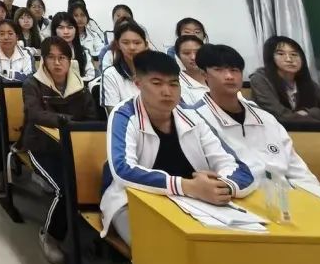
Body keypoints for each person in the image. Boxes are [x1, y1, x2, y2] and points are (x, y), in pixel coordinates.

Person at [100, 51, 255, 244]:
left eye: (174, 84)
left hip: (194, 203)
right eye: (157, 83)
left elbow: (237, 167)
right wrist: (187, 186)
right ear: (138, 84)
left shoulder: (192, 117)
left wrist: (221, 187)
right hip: (133, 199)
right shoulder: (124, 114)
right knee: (158, 249)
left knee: (235, 244)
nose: (167, 91)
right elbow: (123, 170)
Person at [21, 38, 101, 264]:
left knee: (96, 183)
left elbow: (92, 118)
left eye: (62, 58)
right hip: (41, 146)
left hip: (74, 148)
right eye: (51, 58)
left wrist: (74, 128)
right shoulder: (32, 84)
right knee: (65, 188)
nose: (57, 63)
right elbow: (35, 114)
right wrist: (67, 121)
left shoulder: (79, 87)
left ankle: (93, 236)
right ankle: (50, 235)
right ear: (44, 61)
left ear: (69, 60)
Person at [192, 44, 318, 186]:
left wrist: (315, 194)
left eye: (234, 70)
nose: (229, 76)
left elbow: (299, 171)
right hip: (236, 194)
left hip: (284, 194)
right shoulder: (196, 119)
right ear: (204, 74)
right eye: (219, 70)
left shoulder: (266, 118)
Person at [249, 35, 320, 128]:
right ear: (270, 58)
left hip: (311, 136)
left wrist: (310, 113)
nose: (289, 59)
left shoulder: (308, 83)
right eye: (281, 54)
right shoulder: (260, 80)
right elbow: (281, 117)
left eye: (294, 54)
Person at [0, 20, 34, 188]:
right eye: (2, 34)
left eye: (10, 33)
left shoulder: (26, 53)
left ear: (17, 36)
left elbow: (31, 79)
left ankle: (38, 172)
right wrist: (17, 76)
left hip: (22, 102)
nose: (6, 37)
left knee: (39, 125)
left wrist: (6, 74)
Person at [101, 21, 148, 111]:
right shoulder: (110, 74)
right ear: (118, 45)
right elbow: (114, 114)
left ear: (146, 45)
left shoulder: (156, 71)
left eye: (137, 43)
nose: (132, 47)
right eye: (126, 43)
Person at [51, 12, 96, 83]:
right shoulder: (48, 51)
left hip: (80, 86)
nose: (66, 32)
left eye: (70, 27)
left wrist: (74, 83)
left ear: (76, 30)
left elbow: (91, 75)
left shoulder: (83, 52)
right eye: (61, 28)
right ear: (54, 30)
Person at [174, 35, 209, 104]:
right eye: (186, 53)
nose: (193, 57)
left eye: (197, 52)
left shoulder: (216, 74)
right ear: (178, 56)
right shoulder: (178, 84)